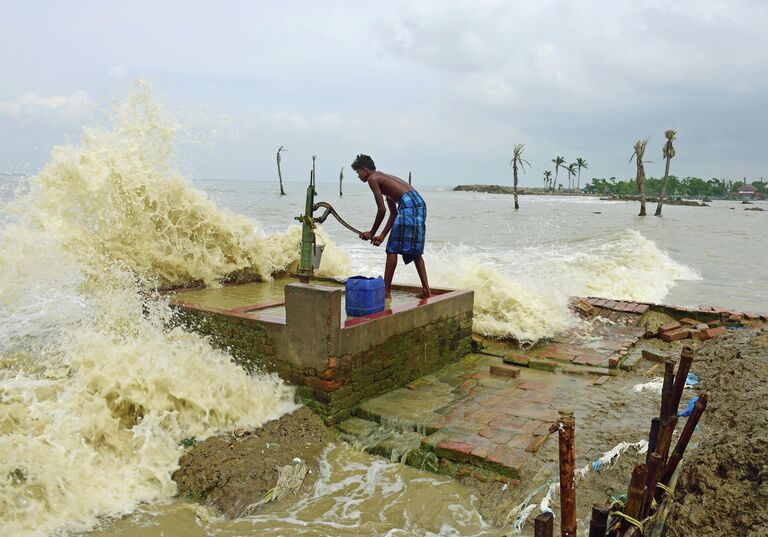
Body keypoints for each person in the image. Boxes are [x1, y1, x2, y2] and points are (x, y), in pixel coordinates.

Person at [351, 154, 431, 299]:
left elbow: (381, 210)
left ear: (364, 169)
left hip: (407, 205)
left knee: (392, 249)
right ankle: (426, 290)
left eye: (358, 172)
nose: (358, 176)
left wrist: (372, 232)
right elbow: (393, 214)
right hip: (418, 202)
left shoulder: (373, 179)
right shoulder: (384, 180)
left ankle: (386, 292)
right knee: (415, 251)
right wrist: (381, 236)